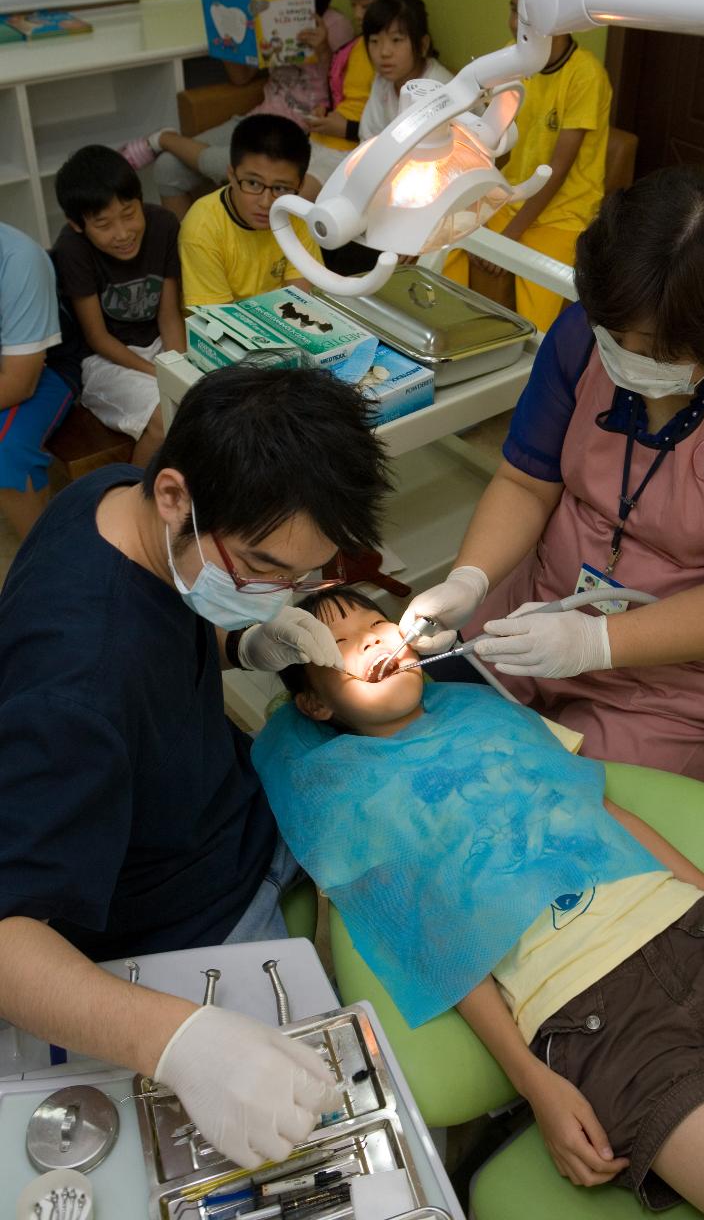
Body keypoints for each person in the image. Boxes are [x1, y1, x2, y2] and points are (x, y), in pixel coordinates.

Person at [254, 588, 704, 1220]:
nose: (375, 639)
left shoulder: (490, 714)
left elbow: (612, 817)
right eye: (345, 645)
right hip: (596, 1021)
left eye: (379, 624)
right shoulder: (352, 801)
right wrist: (535, 1085)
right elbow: (434, 947)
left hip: (702, 938)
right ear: (314, 704)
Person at [0, 364, 391, 1169]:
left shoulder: (111, 493)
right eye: (260, 567)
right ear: (175, 496)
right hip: (182, 913)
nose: (284, 591)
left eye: (305, 573)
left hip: (230, 798)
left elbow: (166, 611)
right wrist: (179, 1042)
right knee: (317, 1133)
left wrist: (244, 639)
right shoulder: (77, 688)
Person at [399, 166, 704, 792]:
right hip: (538, 606)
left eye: (660, 351)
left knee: (546, 801)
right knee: (422, 729)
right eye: (618, 338)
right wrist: (468, 579)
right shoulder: (587, 331)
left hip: (684, 678)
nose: (630, 360)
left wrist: (597, 644)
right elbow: (526, 483)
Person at [122, 0, 353, 220]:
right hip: (259, 118)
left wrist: (324, 50)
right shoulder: (267, 14)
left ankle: (163, 138)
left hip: (300, 133)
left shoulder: (336, 25)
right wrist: (230, 40)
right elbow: (241, 79)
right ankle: (190, 258)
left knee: (226, 166)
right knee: (167, 169)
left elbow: (343, 96)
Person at [444, 0, 611, 333]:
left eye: (526, 16)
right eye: (512, 9)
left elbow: (557, 170)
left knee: (539, 318)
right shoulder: (511, 58)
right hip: (509, 194)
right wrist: (472, 202)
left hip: (562, 213)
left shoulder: (586, 76)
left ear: (560, 20)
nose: (514, 23)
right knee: (442, 247)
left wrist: (509, 238)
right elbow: (490, 140)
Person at [53, 146, 185, 466]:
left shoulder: (164, 225)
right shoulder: (72, 249)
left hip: (160, 345)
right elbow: (97, 337)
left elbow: (169, 316)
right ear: (77, 225)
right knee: (166, 417)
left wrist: (179, 368)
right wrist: (159, 376)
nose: (123, 233)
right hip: (105, 361)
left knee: (206, 400)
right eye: (104, 224)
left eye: (129, 214)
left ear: (140, 200)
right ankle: (133, 502)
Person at [301, 0, 421, 201]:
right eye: (353, 3)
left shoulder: (395, 59)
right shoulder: (357, 46)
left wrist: (345, 128)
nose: (356, 13)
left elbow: (390, 130)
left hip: (348, 150)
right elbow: (344, 93)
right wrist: (327, 110)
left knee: (292, 200)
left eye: (365, 5)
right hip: (324, 140)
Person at [178, 113, 321, 308]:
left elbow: (300, 304)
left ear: (300, 185)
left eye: (280, 188)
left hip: (283, 327)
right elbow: (218, 323)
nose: (265, 202)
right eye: (253, 183)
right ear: (231, 175)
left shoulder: (296, 214)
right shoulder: (202, 228)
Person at [0, 224, 80, 538]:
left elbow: (20, 382)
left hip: (46, 367)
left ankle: (47, 560)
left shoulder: (18, 259)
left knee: (6, 450)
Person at [358, 0, 453, 141]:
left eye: (396, 40)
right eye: (375, 41)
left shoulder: (440, 88)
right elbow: (368, 137)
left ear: (423, 45)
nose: (384, 52)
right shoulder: (382, 82)